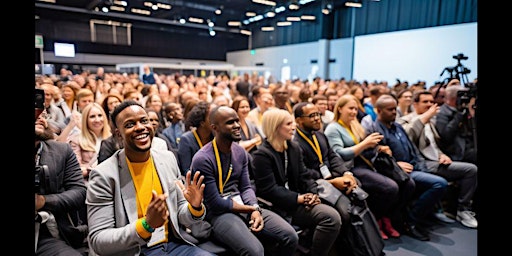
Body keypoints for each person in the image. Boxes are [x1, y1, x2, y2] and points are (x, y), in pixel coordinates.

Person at [86, 100, 215, 256]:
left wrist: (194, 207)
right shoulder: (104, 175)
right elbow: (99, 240)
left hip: (172, 245)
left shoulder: (167, 158)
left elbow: (183, 216)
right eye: (129, 124)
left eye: (144, 120)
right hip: (135, 251)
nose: (140, 127)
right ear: (118, 134)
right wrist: (147, 225)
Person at [190, 106, 299, 256]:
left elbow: (246, 186)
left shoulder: (240, 151)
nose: (236, 125)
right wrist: (251, 210)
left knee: (290, 236)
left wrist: (253, 206)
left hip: (243, 205)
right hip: (218, 214)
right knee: (255, 251)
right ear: (215, 128)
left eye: (236, 121)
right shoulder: (203, 159)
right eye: (230, 122)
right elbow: (214, 202)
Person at [293, 102, 385, 254]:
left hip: (331, 179)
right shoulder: (295, 143)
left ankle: (362, 245)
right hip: (313, 186)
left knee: (359, 193)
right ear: (298, 120)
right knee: (345, 212)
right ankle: (340, 248)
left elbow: (333, 157)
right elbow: (304, 174)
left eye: (318, 114)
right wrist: (332, 182)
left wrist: (346, 174)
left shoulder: (319, 135)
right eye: (312, 116)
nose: (317, 118)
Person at [251, 108, 342, 256]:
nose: (294, 126)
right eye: (288, 123)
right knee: (330, 218)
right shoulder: (261, 155)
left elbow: (304, 176)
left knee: (334, 215)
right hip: (277, 206)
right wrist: (299, 198)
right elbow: (269, 190)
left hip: (298, 201)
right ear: (275, 127)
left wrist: (313, 195)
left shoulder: (293, 148)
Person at [365, 94, 449, 241]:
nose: (394, 112)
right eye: (390, 109)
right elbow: (377, 159)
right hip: (396, 172)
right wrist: (396, 164)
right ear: (378, 110)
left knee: (438, 177)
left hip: (414, 167)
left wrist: (421, 166)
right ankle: (410, 221)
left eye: (395, 109)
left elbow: (413, 150)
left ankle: (409, 216)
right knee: (439, 184)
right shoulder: (375, 130)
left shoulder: (397, 126)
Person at [324, 94, 407, 240]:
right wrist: (364, 144)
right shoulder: (333, 128)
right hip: (348, 169)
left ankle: (385, 218)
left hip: (363, 164)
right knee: (390, 188)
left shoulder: (354, 124)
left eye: (356, 109)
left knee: (404, 183)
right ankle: (377, 219)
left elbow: (364, 151)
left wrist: (377, 148)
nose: (354, 112)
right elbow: (338, 155)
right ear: (340, 108)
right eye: (350, 108)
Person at [397, 90, 478, 228]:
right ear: (415, 104)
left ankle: (463, 209)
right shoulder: (406, 120)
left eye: (431, 101)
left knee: (471, 170)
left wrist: (442, 155)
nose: (429, 104)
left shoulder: (430, 122)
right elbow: (408, 135)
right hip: (421, 163)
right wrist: (425, 117)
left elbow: (435, 146)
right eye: (425, 102)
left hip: (436, 160)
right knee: (465, 172)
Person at [35, 111, 88, 256]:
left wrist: (42, 201)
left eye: (43, 114)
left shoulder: (61, 150)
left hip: (45, 235)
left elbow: (79, 192)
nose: (39, 116)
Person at [68, 102, 111, 182]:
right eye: (92, 117)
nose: (97, 120)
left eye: (100, 115)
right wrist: (91, 169)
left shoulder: (112, 139)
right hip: (89, 183)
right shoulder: (76, 140)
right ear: (85, 120)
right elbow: (75, 171)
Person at [434, 85, 477, 165]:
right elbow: (446, 136)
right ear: (455, 99)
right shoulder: (442, 112)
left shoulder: (466, 110)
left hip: (469, 145)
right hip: (458, 151)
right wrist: (459, 115)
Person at [178, 101, 214, 175]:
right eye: (212, 117)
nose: (216, 120)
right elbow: (187, 170)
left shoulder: (216, 137)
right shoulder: (186, 140)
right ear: (202, 123)